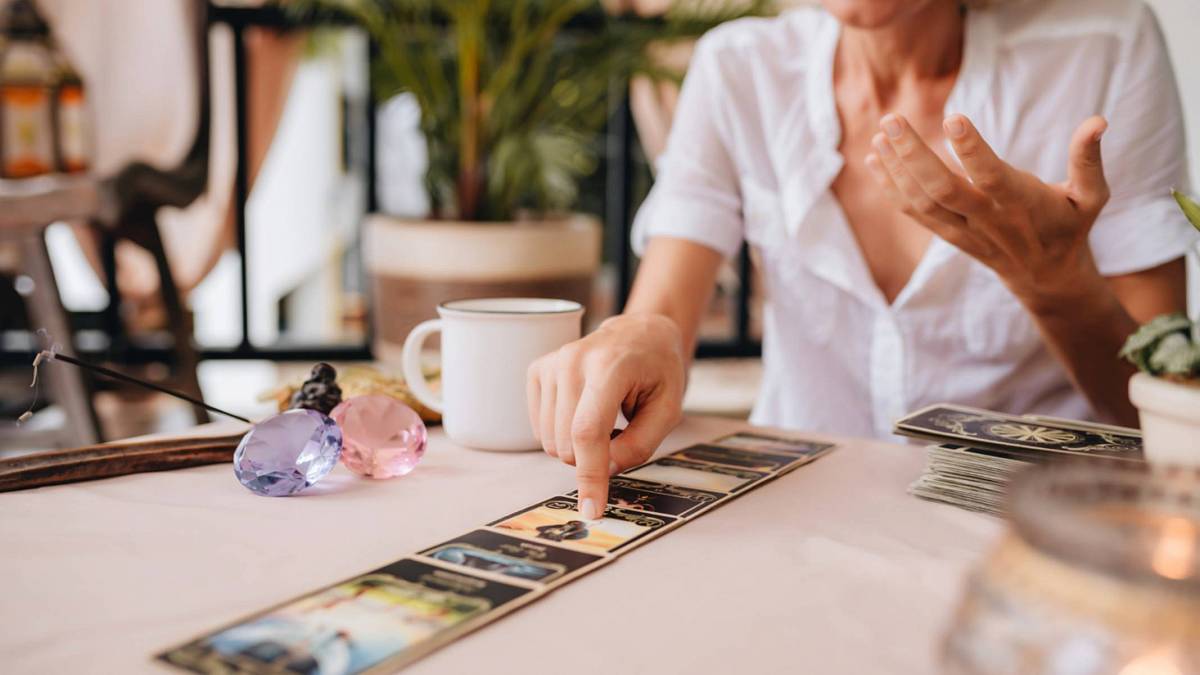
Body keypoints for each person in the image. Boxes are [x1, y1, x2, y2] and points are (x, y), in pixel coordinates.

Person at [527, 0, 1197, 519]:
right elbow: (661, 314)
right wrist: (637, 333)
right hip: (803, 522)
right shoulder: (739, 68)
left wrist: (1055, 284)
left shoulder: (1104, 47)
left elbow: (1158, 422)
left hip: (1034, 535)